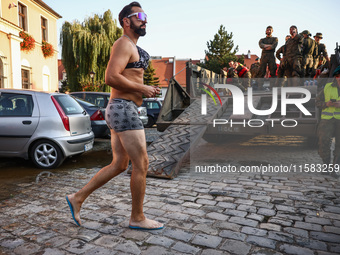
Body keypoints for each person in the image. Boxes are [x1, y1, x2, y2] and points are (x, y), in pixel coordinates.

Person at [66, 2, 163, 231]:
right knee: (141, 163)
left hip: (119, 108)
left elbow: (127, 76)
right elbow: (111, 77)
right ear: (126, 21)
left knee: (120, 164)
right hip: (123, 108)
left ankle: (77, 198)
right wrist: (142, 89)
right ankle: (137, 218)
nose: (144, 19)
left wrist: (145, 88)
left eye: (145, 15)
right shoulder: (123, 43)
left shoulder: (131, 46)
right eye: (139, 16)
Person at [316, 65, 340, 165]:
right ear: (336, 76)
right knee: (323, 143)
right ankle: (326, 165)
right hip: (327, 120)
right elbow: (317, 102)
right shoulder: (327, 87)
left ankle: (335, 167)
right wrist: (326, 104)